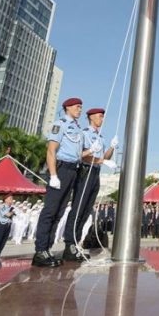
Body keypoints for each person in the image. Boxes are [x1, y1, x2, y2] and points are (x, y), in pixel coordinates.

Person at [34, 97, 85, 268]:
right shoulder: (60, 124)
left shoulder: (77, 127)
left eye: (80, 107)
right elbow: (51, 151)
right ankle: (40, 250)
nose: (80, 110)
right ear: (68, 107)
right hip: (61, 169)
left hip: (72, 170)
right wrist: (54, 175)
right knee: (50, 211)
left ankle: (47, 249)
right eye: (77, 107)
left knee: (59, 212)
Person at [63, 107, 117, 261]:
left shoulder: (101, 137)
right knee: (78, 208)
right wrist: (102, 160)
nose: (102, 119)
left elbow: (105, 156)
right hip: (86, 171)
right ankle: (69, 244)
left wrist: (112, 147)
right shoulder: (85, 133)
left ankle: (76, 242)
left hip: (96, 172)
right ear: (92, 117)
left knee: (86, 210)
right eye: (100, 116)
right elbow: (83, 156)